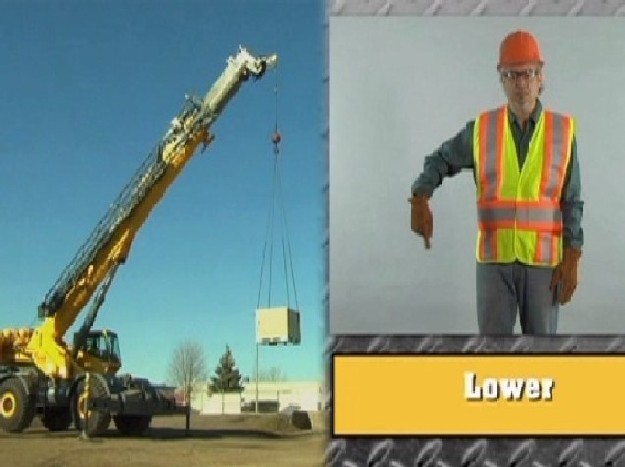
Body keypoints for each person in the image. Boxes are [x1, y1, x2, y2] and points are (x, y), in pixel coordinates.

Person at [409, 30, 584, 335]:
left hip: (543, 264)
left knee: (541, 356)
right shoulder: (482, 129)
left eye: (529, 73)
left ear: (541, 76)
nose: (521, 83)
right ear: (500, 79)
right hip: (494, 263)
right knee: (492, 354)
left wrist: (573, 254)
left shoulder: (562, 131)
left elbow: (572, 200)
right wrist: (420, 195)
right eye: (512, 75)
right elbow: (440, 160)